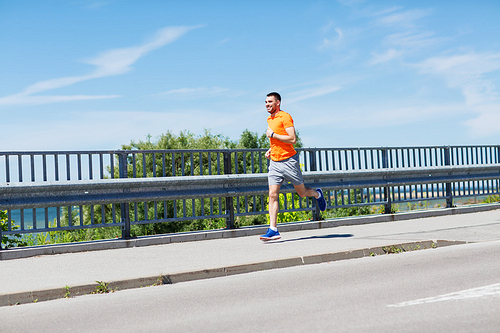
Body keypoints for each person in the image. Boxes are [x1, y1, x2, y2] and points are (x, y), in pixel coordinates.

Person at [260, 92, 327, 241]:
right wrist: (271, 149)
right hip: (275, 163)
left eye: (270, 101)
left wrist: (272, 136)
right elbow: (278, 140)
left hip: (289, 161)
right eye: (265, 102)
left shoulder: (285, 117)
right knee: (272, 194)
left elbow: (292, 139)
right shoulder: (270, 119)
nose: (267, 104)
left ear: (278, 103)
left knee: (302, 193)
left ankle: (317, 194)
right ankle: (273, 229)